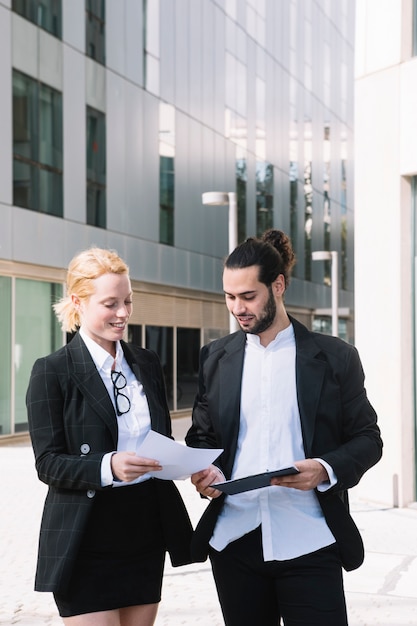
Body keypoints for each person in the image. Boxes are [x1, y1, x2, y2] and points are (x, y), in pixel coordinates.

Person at [186, 229, 383, 626]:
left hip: (310, 539)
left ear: (277, 286)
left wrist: (324, 469)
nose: (237, 308)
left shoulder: (336, 358)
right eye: (229, 297)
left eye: (248, 296)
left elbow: (368, 439)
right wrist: (205, 472)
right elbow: (203, 438)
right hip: (234, 540)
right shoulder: (214, 358)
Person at [26, 247, 193, 626]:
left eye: (128, 301)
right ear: (77, 302)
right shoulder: (52, 371)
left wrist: (184, 463)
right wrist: (108, 465)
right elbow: (47, 462)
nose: (123, 313)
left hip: (144, 530)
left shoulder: (147, 363)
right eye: (110, 303)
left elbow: (160, 438)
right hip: (85, 537)